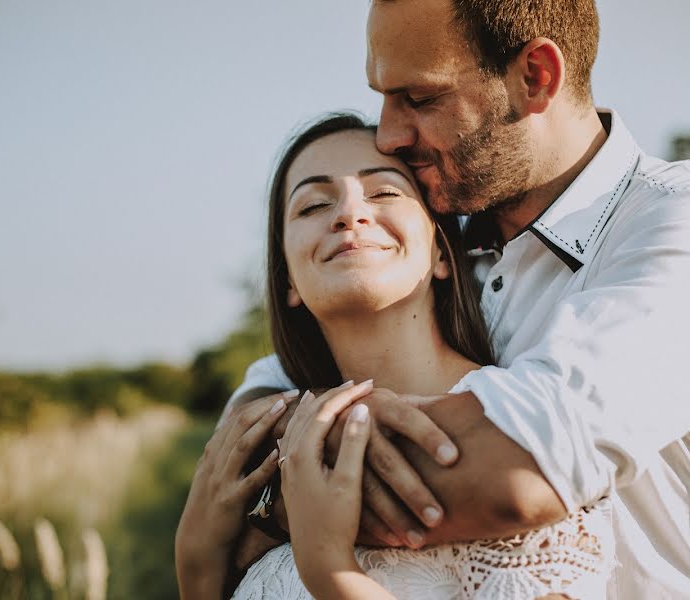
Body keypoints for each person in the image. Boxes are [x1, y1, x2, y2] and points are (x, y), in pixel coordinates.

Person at [225, 0, 690, 598]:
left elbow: (517, 470)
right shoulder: (433, 230)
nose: (388, 134)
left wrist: (270, 499)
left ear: (535, 76)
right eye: (382, 95)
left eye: (421, 98)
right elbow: (262, 403)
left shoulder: (684, 225)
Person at [176, 114, 613, 599]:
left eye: (383, 192)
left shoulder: (519, 431)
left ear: (442, 252)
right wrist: (196, 567)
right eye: (313, 205)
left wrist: (331, 572)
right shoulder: (263, 450)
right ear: (288, 283)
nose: (347, 213)